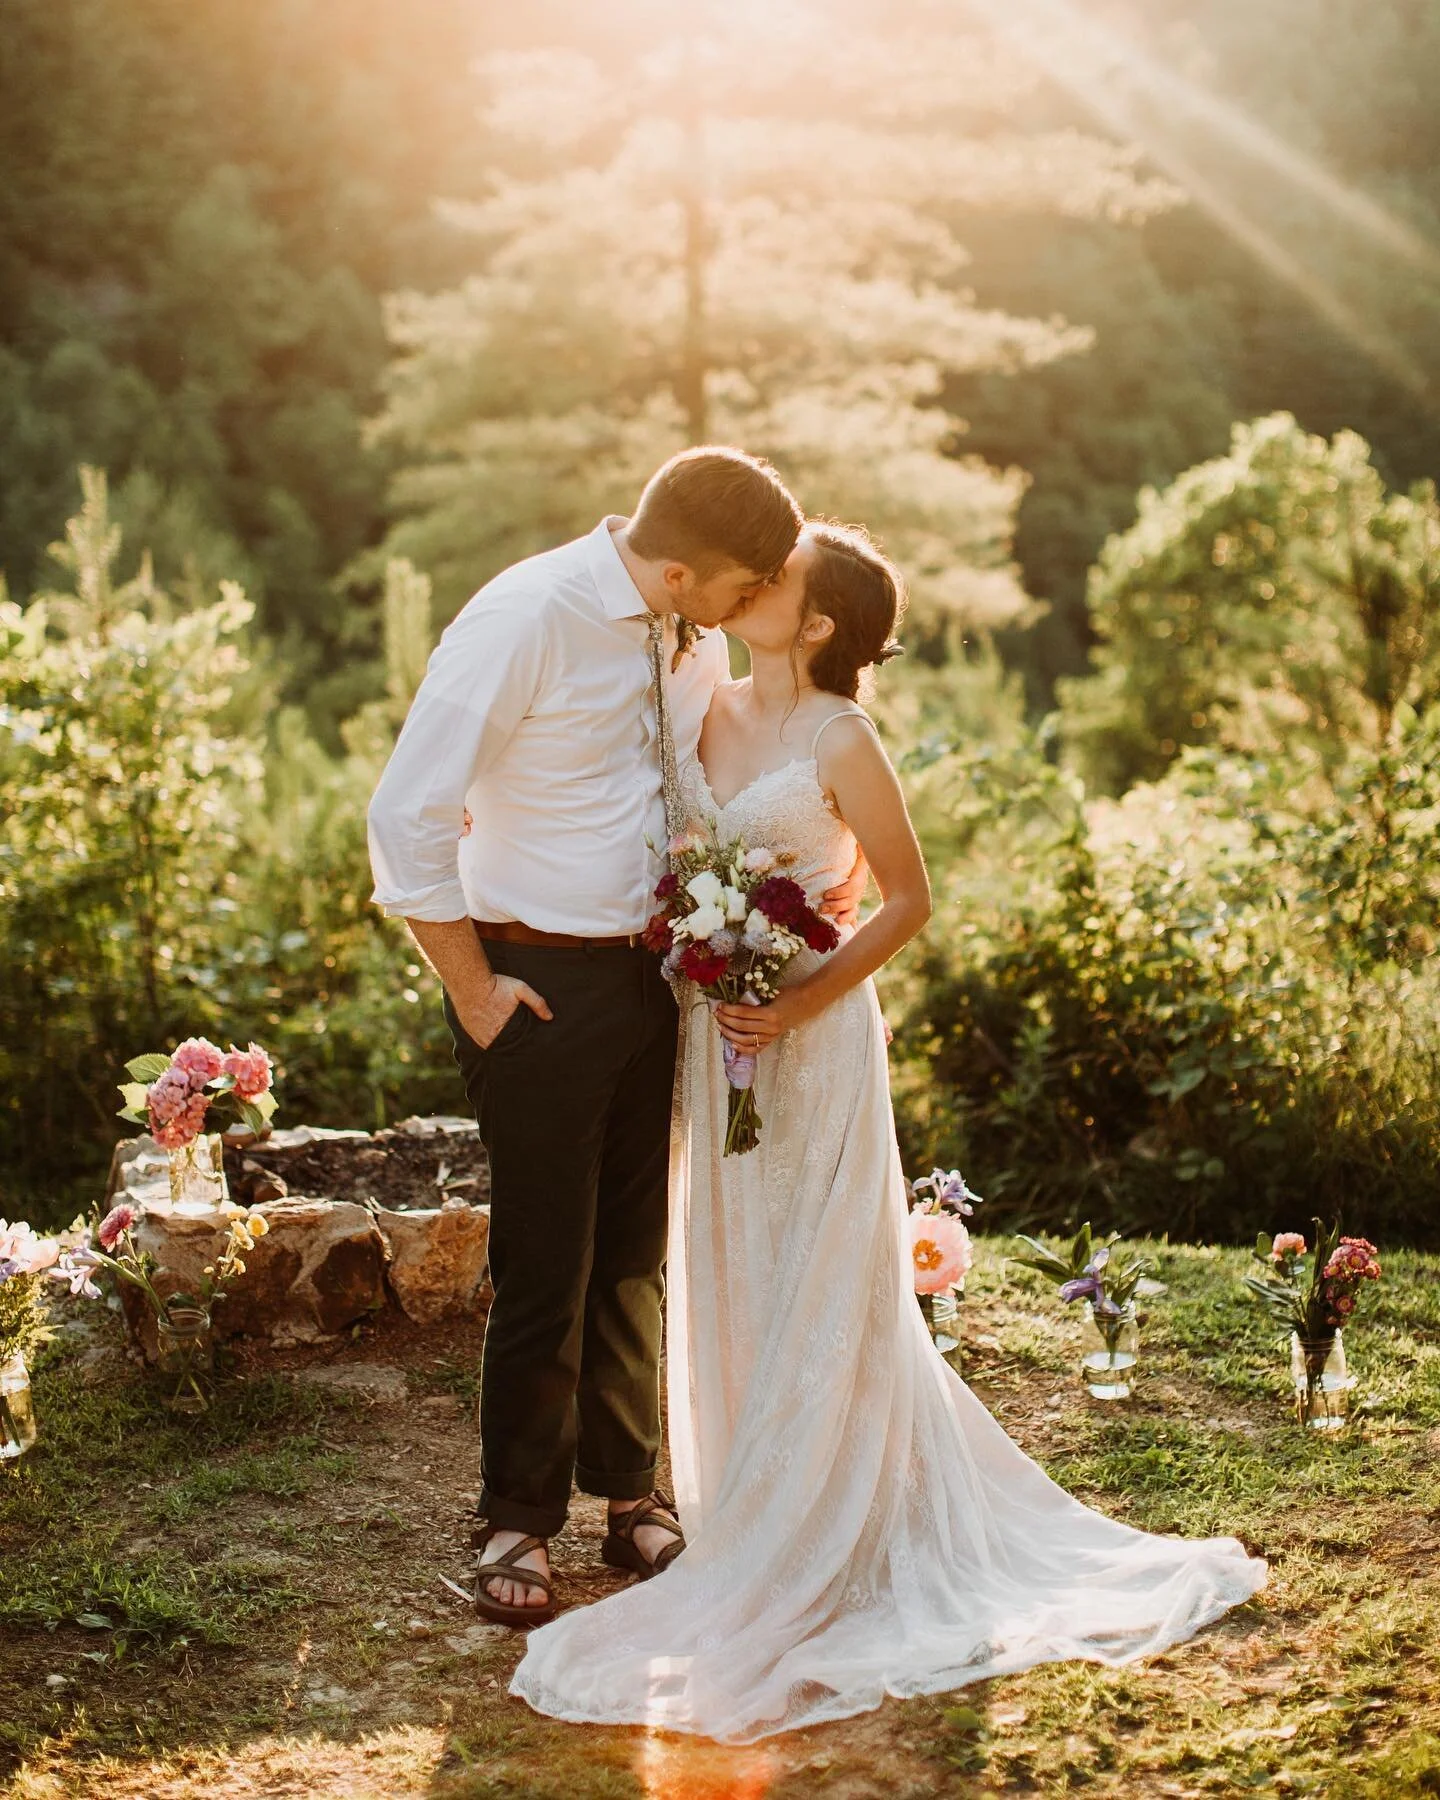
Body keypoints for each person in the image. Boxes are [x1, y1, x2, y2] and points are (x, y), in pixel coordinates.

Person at [510, 521, 1267, 1741]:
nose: (753, 587)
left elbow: (907, 897)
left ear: (814, 626)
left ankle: (832, 1517)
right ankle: (754, 1500)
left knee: (821, 1266)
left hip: (812, 1044)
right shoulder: (701, 704)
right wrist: (708, 969)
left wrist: (797, 995)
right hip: (716, 1036)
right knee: (733, 1260)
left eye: (781, 582)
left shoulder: (841, 737)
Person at [367, 447, 865, 1625]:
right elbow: (407, 811)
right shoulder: (526, 617)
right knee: (548, 1262)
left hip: (656, 982)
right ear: (685, 569)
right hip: (532, 982)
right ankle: (515, 1522)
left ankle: (630, 1498)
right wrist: (477, 989)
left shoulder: (680, 631)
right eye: (742, 591)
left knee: (635, 1256)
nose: (751, 612)